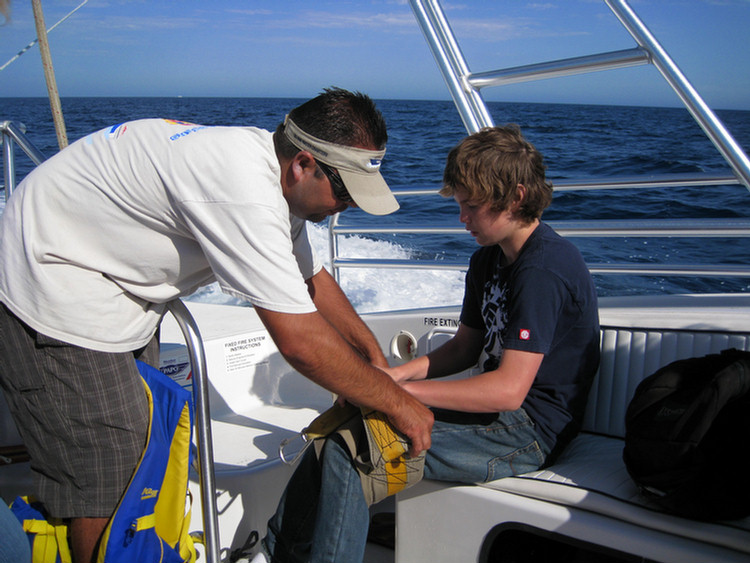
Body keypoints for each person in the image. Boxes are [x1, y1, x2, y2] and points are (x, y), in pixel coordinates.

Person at [0, 87, 433, 563]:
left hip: (120, 288)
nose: (348, 205)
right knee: (109, 471)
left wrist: (372, 358)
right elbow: (300, 343)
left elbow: (310, 279)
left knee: (147, 442)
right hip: (53, 279)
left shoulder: (273, 176)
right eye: (346, 191)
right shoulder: (242, 192)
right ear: (304, 164)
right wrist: (398, 403)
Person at [261, 125, 600, 562]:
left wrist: (388, 393)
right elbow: (463, 349)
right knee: (334, 433)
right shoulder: (488, 260)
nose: (462, 219)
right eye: (460, 206)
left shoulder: (545, 269)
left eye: (471, 207)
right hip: (499, 417)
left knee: (356, 452)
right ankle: (278, 554)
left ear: (515, 197)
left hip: (529, 432)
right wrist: (388, 376)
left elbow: (509, 390)